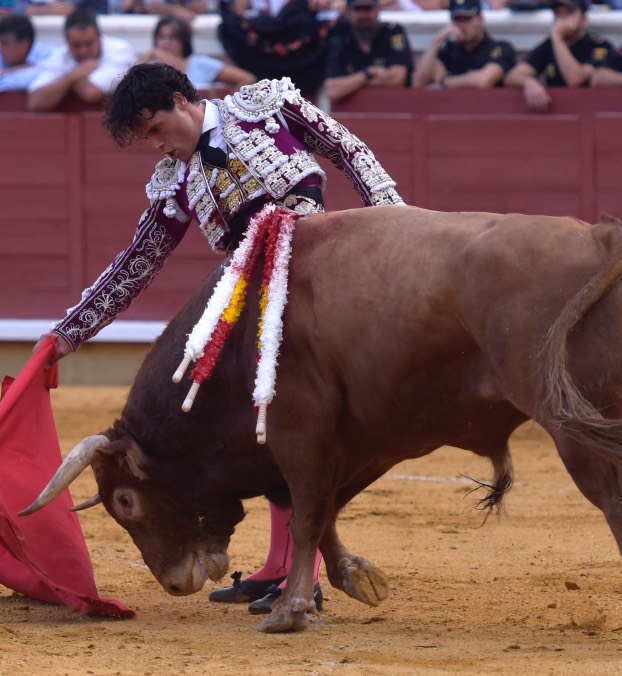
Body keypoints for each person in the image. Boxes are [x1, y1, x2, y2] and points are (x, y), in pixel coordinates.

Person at [33, 62, 404, 615]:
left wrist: (397, 224)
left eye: (156, 129)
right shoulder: (173, 178)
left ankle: (301, 567)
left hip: (322, 270)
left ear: (182, 100)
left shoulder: (265, 105)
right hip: (255, 302)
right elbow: (137, 263)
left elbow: (348, 149)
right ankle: (283, 565)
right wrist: (68, 333)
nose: (157, 145)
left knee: (289, 419)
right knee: (267, 422)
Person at [504, 0, 613, 111]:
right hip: (556, 112)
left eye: (569, 13)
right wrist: (529, 82)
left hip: (588, 111)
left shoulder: (598, 46)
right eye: (558, 14)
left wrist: (557, 38)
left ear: (584, 20)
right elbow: (512, 77)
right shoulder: (549, 45)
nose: (562, 19)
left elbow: (575, 80)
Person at [27, 9, 136, 111]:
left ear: (100, 37)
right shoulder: (61, 54)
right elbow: (35, 102)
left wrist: (64, 80)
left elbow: (91, 93)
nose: (83, 51)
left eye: (89, 43)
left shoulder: (120, 50)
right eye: (76, 45)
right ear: (67, 43)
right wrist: (75, 75)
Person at [322, 0, 414, 103]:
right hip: (351, 112)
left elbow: (398, 78)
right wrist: (368, 74)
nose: (363, 15)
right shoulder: (340, 37)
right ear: (347, 12)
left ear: (378, 10)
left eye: (368, 9)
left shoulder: (393, 32)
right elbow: (332, 90)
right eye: (358, 10)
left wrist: (351, 83)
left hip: (394, 105)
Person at [412, 0, 516, 90]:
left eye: (467, 19)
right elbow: (419, 82)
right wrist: (436, 41)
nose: (462, 25)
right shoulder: (449, 50)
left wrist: (444, 82)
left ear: (481, 20)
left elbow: (484, 80)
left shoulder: (499, 48)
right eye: (457, 19)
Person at [138, 16, 256, 90]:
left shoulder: (199, 63)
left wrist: (224, 108)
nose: (165, 43)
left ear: (183, 41)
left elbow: (247, 78)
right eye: (161, 37)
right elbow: (127, 88)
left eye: (172, 38)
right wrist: (149, 55)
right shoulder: (151, 68)